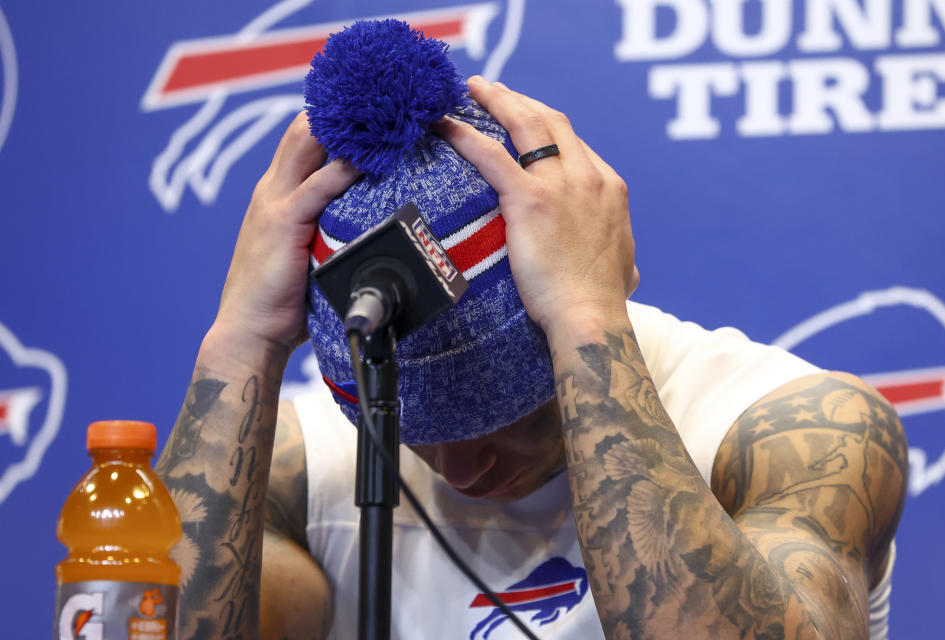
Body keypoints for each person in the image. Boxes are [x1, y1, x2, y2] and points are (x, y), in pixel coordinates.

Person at [155, 76, 907, 640]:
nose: (458, 466)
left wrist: (587, 316)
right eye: (416, 424)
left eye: (501, 406)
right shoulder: (303, 468)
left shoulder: (795, 428)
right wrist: (240, 343)